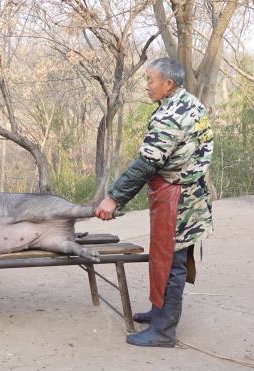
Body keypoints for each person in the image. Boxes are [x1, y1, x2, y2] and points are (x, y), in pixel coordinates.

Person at [95, 58, 214, 347]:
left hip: (178, 198)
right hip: (189, 193)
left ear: (168, 84)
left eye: (150, 80)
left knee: (171, 262)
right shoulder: (189, 102)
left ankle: (164, 331)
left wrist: (114, 198)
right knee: (168, 257)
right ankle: (160, 312)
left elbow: (147, 163)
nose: (147, 86)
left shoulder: (170, 116)